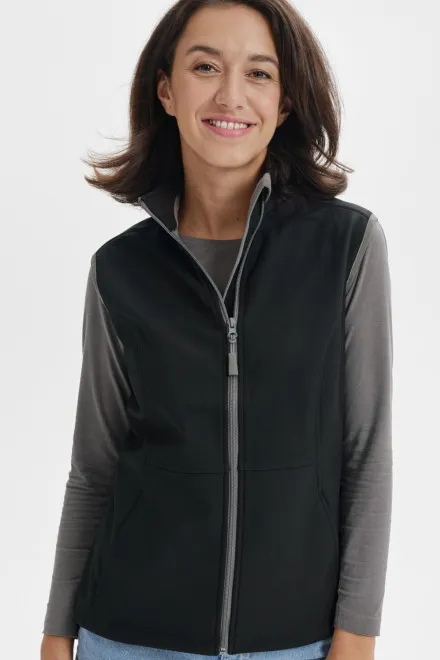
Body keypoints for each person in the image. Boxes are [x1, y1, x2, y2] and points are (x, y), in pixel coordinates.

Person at [40, 1, 393, 659]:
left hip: (293, 640)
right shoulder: (120, 270)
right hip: (127, 635)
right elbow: (94, 468)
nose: (231, 94)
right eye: (206, 67)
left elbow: (365, 452)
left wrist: (359, 632)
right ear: (166, 90)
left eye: (259, 73)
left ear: (284, 104)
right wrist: (57, 631)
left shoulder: (346, 246)